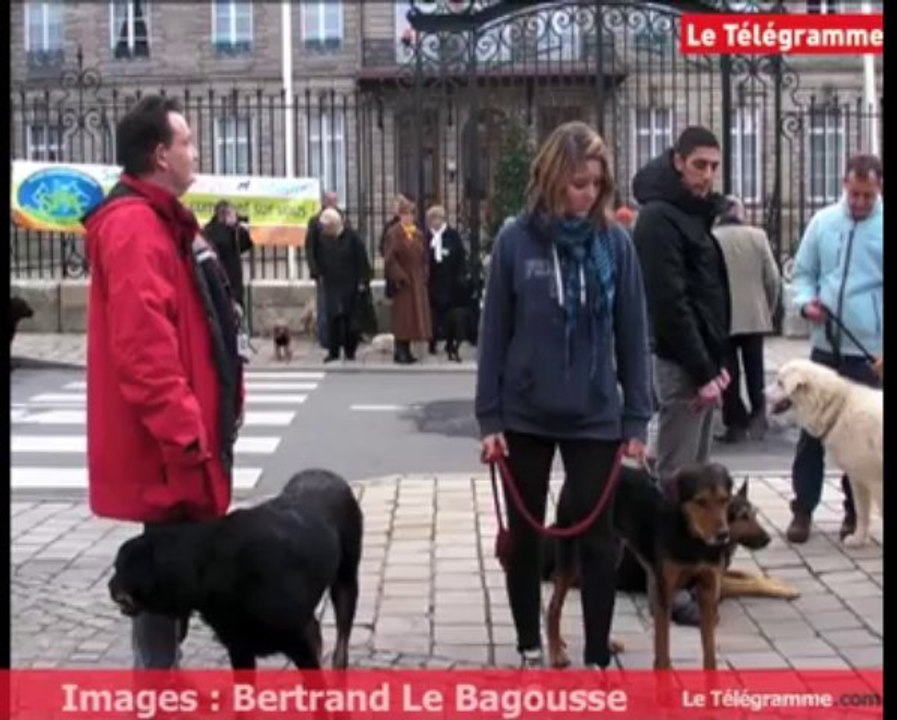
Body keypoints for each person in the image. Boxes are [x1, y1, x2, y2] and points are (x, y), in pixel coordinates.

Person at [476, 121, 653, 669]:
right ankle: (530, 644)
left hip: (596, 414)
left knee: (599, 540)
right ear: (552, 178)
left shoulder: (614, 244)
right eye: (578, 182)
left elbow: (632, 331)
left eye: (596, 183)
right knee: (527, 536)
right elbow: (494, 333)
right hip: (525, 412)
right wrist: (490, 420)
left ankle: (598, 653)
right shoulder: (515, 240)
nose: (588, 194)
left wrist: (637, 420)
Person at [82, 94, 244, 669]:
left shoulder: (161, 221)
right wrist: (187, 435)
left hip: (181, 441)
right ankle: (155, 689)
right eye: (187, 142)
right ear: (159, 155)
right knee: (163, 572)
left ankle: (161, 681)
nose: (194, 151)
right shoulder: (135, 227)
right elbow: (144, 352)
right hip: (169, 447)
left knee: (174, 566)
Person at [631, 126, 731, 625]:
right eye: (699, 165)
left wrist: (720, 364)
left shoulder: (693, 215)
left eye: (714, 166)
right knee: (673, 482)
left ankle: (692, 572)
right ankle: (665, 590)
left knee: (700, 481)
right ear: (677, 161)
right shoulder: (658, 219)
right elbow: (671, 304)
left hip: (704, 365)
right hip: (679, 364)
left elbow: (708, 293)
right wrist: (700, 368)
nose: (708, 175)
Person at [786, 153, 883, 544]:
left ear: (879, 189)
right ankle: (803, 511)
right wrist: (806, 302)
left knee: (861, 439)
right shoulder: (823, 222)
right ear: (844, 184)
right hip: (825, 348)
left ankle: (852, 516)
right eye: (854, 193)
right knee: (811, 435)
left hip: (868, 351)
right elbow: (803, 273)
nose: (859, 202)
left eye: (868, 195)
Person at [713, 195, 781, 443]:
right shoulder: (758, 236)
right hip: (754, 315)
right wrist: (767, 309)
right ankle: (759, 414)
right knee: (755, 370)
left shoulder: (712, 238)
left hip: (722, 318)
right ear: (739, 213)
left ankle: (736, 423)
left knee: (728, 372)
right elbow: (773, 278)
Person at [315, 207, 372, 362]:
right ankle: (333, 352)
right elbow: (320, 258)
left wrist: (363, 281)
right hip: (332, 284)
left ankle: (349, 351)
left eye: (327, 226)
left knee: (349, 320)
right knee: (332, 319)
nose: (324, 229)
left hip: (350, 284)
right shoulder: (325, 238)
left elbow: (362, 261)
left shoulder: (352, 238)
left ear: (334, 224)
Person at [383, 196, 432, 364]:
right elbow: (390, 259)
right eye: (405, 214)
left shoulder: (418, 233)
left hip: (417, 281)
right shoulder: (394, 233)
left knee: (414, 318)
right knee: (403, 317)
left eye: (411, 214)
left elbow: (425, 257)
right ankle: (400, 349)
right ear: (400, 216)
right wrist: (401, 276)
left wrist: (424, 273)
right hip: (403, 283)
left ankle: (408, 349)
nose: (408, 217)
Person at [424, 204, 468, 357]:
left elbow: (461, 257)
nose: (436, 222)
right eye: (433, 219)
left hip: (450, 281)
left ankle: (450, 343)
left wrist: (461, 276)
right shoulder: (426, 237)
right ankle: (432, 342)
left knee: (450, 316)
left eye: (439, 218)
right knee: (433, 316)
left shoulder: (452, 235)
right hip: (432, 282)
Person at [305, 191, 342, 348]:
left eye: (335, 201)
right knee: (324, 306)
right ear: (325, 202)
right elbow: (310, 248)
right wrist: (315, 270)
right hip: (323, 271)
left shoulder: (341, 219)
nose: (334, 204)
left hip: (340, 271)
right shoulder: (315, 222)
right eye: (331, 201)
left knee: (340, 305)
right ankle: (325, 338)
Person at [203, 199, 253, 309]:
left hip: (233, 281)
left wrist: (237, 228)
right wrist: (231, 228)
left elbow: (245, 245)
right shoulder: (212, 230)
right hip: (224, 280)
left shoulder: (233, 230)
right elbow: (223, 244)